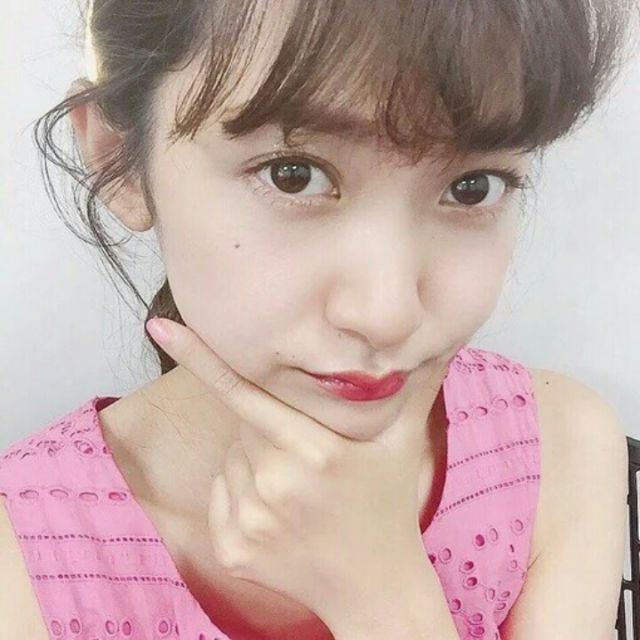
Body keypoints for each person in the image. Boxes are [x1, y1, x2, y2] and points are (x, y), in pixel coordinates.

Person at [0, 0, 636, 638]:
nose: (387, 314)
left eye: (472, 187)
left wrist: (384, 596)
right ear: (117, 158)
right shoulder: (22, 562)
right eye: (293, 175)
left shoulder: (558, 451)